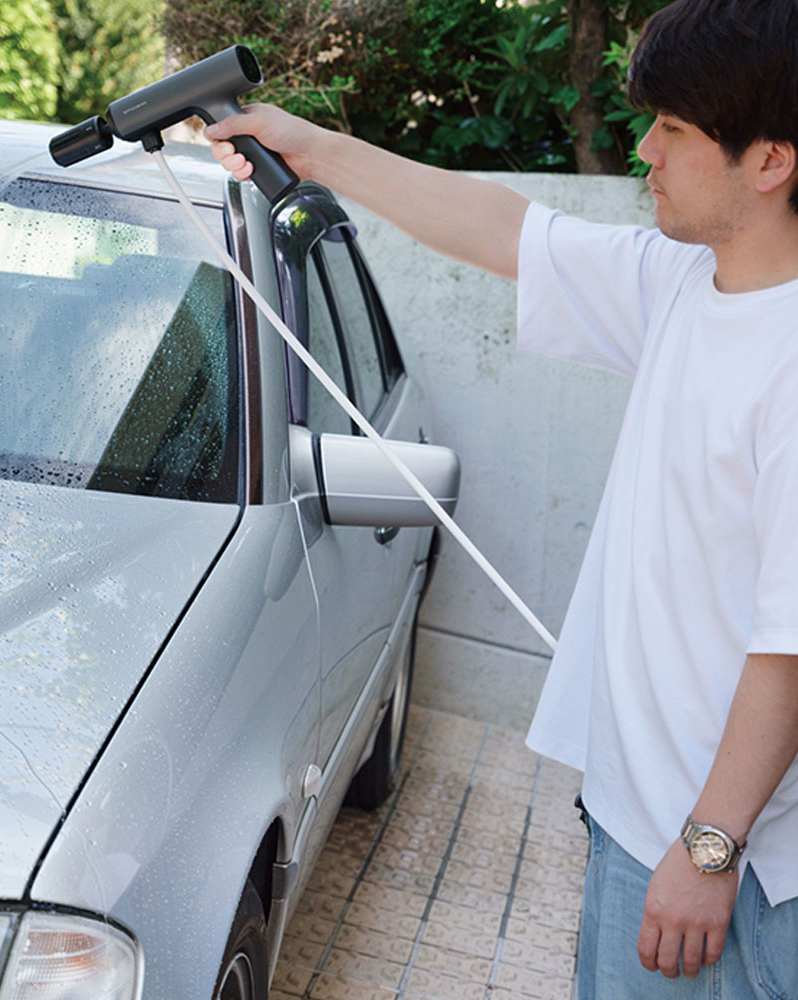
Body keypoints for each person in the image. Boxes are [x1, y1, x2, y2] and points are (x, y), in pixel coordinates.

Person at [205, 0, 798, 996]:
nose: (645, 148)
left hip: (731, 864)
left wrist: (708, 850)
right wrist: (312, 148)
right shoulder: (682, 283)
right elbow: (505, 227)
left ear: (770, 162)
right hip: (640, 821)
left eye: (676, 131)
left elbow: (787, 648)